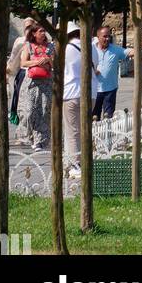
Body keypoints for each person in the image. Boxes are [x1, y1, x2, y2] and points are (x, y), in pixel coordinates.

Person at [63, 28, 97, 177]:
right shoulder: (92, 47)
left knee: (72, 131)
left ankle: (76, 164)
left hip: (72, 92)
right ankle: (85, 160)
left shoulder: (67, 48)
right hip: (91, 92)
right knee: (84, 128)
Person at [19, 24, 53, 150]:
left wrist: (48, 60)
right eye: (40, 31)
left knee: (44, 111)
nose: (43, 33)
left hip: (46, 82)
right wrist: (36, 62)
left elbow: (55, 63)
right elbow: (23, 62)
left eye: (44, 31)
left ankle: (41, 140)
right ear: (34, 33)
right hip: (31, 83)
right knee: (29, 111)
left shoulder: (50, 46)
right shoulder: (28, 46)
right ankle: (31, 136)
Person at [92, 25, 131, 120]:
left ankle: (107, 134)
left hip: (110, 89)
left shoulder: (115, 49)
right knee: (94, 116)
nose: (108, 38)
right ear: (98, 37)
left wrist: (138, 48)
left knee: (108, 117)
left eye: (109, 36)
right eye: (105, 36)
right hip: (95, 89)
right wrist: (93, 71)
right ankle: (94, 134)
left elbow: (128, 52)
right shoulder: (92, 49)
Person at [7, 18, 38, 136]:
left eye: (30, 27)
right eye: (26, 27)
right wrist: (8, 71)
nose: (28, 29)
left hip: (35, 76)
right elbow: (13, 57)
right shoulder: (20, 41)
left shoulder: (39, 41)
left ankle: (30, 131)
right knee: (19, 102)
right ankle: (21, 130)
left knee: (32, 104)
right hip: (23, 74)